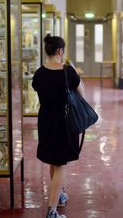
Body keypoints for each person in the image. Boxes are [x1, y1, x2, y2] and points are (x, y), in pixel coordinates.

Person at [32, 34, 85, 218]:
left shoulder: (39, 73)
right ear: (60, 51)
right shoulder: (68, 72)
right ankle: (52, 211)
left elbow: (38, 90)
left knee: (54, 161)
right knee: (61, 164)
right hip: (64, 122)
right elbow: (81, 94)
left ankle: (60, 195)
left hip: (46, 121)